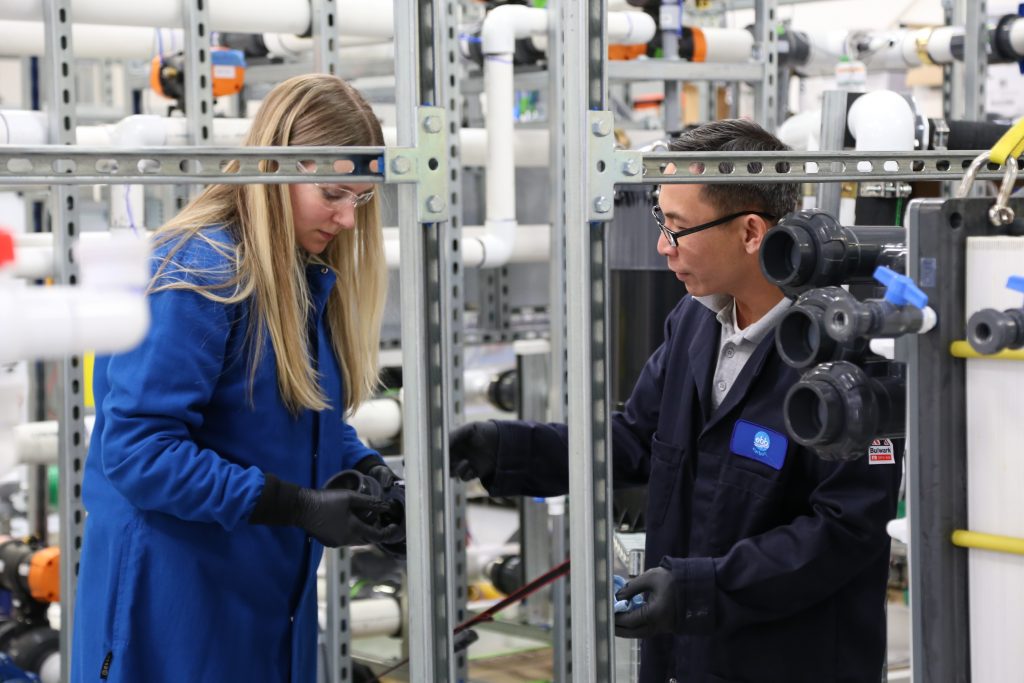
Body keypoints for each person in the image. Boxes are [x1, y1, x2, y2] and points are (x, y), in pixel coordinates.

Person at [451, 119, 901, 683]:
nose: (663, 245)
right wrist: (505, 449)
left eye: (678, 228)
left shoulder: (848, 348)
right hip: (683, 656)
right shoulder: (694, 320)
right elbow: (637, 440)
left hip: (786, 663)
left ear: (751, 232)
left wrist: (701, 589)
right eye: (661, 222)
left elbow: (846, 529)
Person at [72, 74, 404, 683]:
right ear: (274, 168)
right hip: (175, 602)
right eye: (333, 192)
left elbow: (294, 414)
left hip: (267, 591)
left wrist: (366, 471)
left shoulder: (300, 274)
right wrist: (294, 504)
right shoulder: (197, 275)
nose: (348, 219)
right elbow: (139, 453)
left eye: (359, 198)